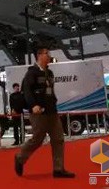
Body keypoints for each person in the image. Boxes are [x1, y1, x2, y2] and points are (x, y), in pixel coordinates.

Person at [14, 47, 74, 178]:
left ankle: (58, 169)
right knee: (37, 139)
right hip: (38, 113)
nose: (49, 56)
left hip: (52, 111)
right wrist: (33, 105)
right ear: (39, 55)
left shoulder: (50, 73)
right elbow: (27, 91)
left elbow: (50, 90)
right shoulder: (32, 73)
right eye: (47, 54)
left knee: (58, 139)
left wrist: (54, 101)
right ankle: (20, 158)